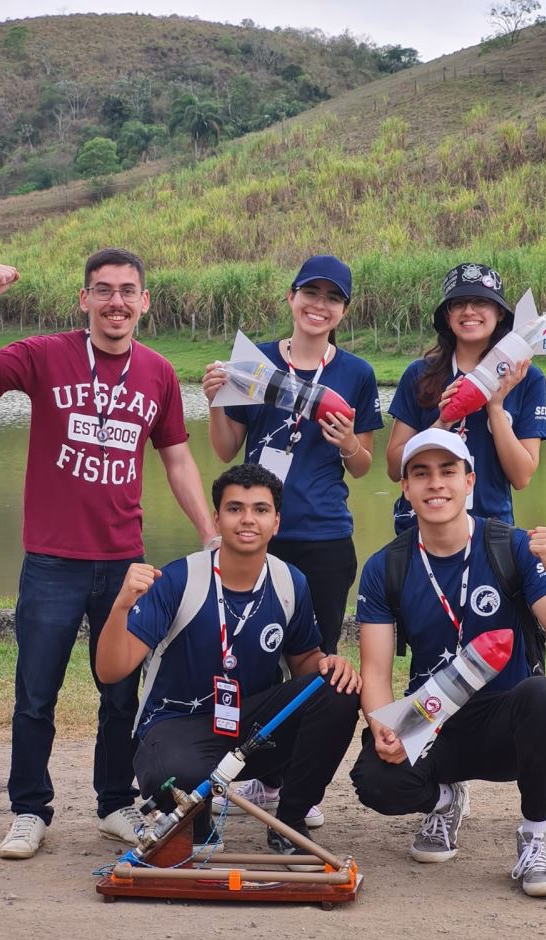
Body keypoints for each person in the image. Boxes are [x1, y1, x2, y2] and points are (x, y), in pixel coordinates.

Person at [0, 248, 216, 860]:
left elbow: (177, 458)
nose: (115, 301)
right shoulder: (46, 355)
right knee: (35, 693)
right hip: (52, 561)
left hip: (124, 561)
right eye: (103, 290)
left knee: (119, 693)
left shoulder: (158, 373)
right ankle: (29, 810)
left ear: (144, 302)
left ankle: (115, 803)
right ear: (85, 299)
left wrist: (207, 531)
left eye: (127, 291)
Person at [385, 261, 546, 840]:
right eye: (459, 303)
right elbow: (395, 463)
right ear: (446, 316)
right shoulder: (422, 375)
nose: (470, 312)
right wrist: (445, 415)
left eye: (482, 303)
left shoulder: (527, 376)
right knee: (432, 644)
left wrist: (494, 405)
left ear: (501, 315)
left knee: (523, 654)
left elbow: (522, 473)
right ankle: (446, 780)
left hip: (493, 531)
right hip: (426, 530)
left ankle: (545, 790)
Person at [350, 429, 546, 897]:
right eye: (422, 474)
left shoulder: (511, 547)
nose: (436, 484)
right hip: (432, 716)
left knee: (545, 696)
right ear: (406, 487)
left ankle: (534, 839)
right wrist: (385, 728)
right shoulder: (385, 566)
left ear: (469, 481)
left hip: (506, 719)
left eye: (448, 471)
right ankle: (445, 799)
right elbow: (375, 671)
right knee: (375, 780)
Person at [95, 463, 361, 859]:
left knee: (338, 690)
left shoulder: (290, 582)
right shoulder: (179, 579)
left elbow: (305, 658)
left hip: (249, 728)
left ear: (276, 522)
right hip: (176, 726)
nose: (248, 519)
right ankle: (195, 821)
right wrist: (120, 606)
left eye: (260, 509)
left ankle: (290, 822)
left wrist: (330, 666)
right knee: (175, 777)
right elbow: (110, 670)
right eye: (235, 508)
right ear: (217, 518)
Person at [201, 254, 382, 823]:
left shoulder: (356, 373)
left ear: (343, 311)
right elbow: (226, 449)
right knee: (247, 659)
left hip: (324, 537)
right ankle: (259, 775)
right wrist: (214, 401)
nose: (318, 306)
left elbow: (363, 466)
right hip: (254, 534)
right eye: (310, 293)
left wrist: (348, 442)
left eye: (332, 298)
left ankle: (298, 788)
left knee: (313, 665)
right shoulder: (252, 362)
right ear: (292, 298)